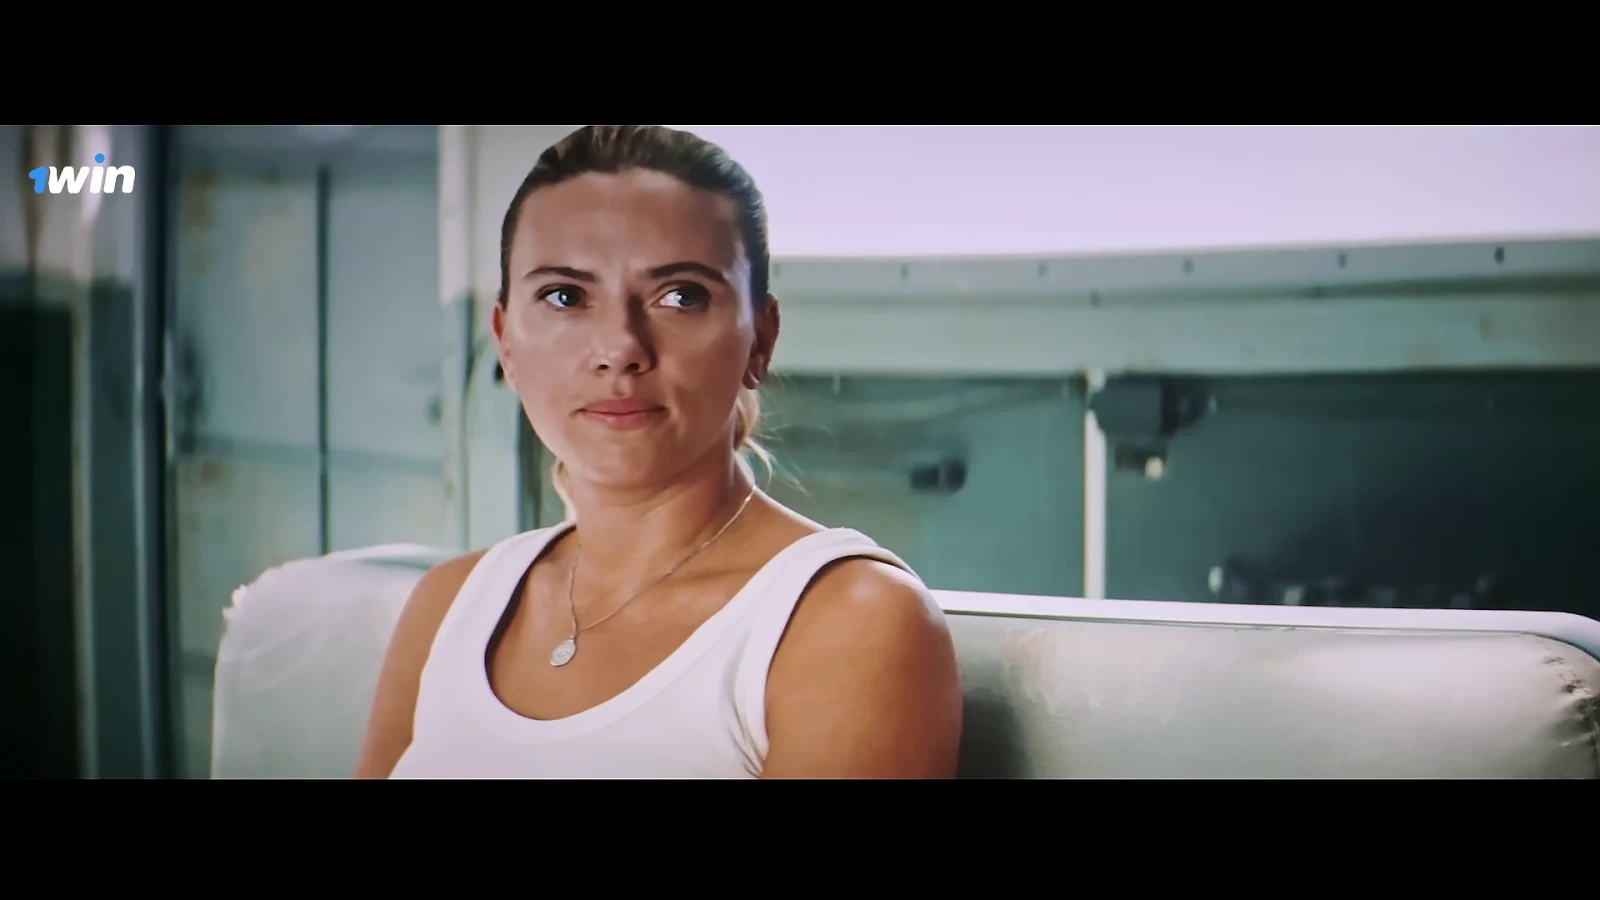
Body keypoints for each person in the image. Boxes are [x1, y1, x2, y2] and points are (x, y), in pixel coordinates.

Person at [355, 125, 964, 779]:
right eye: (565, 296)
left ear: (760, 340)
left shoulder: (849, 620)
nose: (620, 347)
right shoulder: (450, 605)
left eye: (680, 296)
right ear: (506, 340)